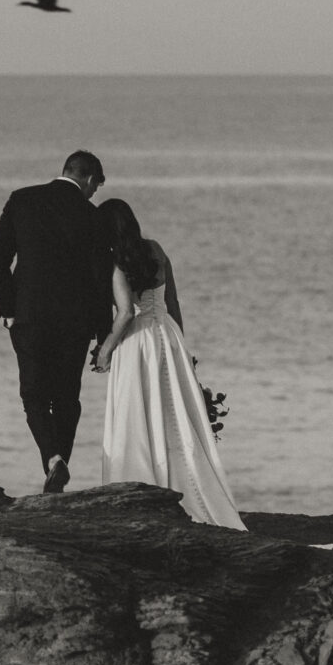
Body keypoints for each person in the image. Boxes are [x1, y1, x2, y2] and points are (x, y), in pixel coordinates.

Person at [89, 198, 245, 529]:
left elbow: (126, 313)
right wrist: (181, 348)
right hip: (167, 334)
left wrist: (105, 350)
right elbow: (171, 300)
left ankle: (143, 483)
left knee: (139, 411)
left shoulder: (118, 263)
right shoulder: (156, 250)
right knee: (174, 411)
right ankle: (184, 484)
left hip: (139, 342)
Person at [0, 150, 113, 494]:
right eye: (95, 187)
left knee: (33, 395)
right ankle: (57, 474)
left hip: (28, 316)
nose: (93, 194)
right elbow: (101, 282)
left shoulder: (22, 200)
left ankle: (53, 460)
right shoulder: (92, 217)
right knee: (67, 398)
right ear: (89, 179)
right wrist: (104, 337)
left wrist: (7, 310)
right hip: (75, 322)